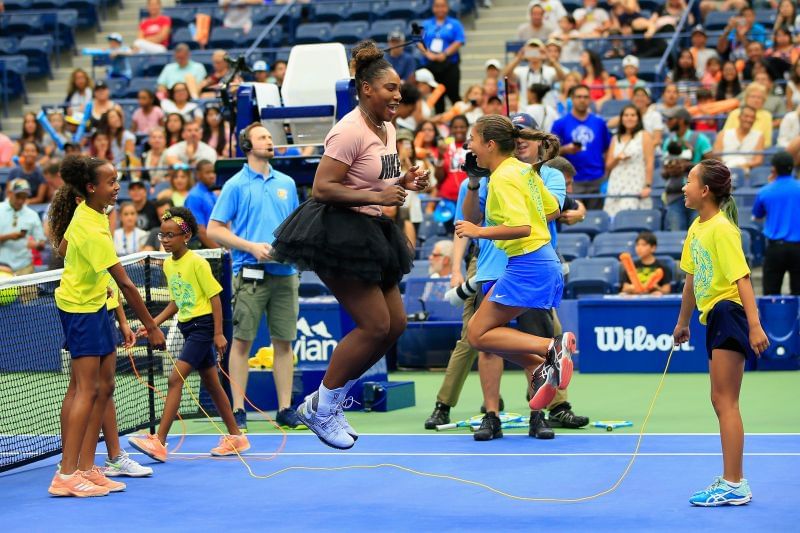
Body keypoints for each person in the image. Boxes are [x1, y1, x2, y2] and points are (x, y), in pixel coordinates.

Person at [270, 41, 429, 449]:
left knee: (395, 326)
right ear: (366, 90)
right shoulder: (348, 130)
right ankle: (321, 408)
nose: (398, 95)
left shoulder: (388, 128)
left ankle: (328, 402)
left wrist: (405, 182)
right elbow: (323, 187)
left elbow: (381, 180)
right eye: (390, 89)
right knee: (374, 324)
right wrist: (377, 197)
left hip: (375, 232)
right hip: (339, 232)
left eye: (399, 89)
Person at [47, 155, 165, 497]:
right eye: (111, 182)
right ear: (91, 188)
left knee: (101, 388)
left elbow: (68, 250)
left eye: (117, 180)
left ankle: (85, 467)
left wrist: (117, 314)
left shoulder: (93, 216)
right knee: (85, 389)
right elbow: (127, 283)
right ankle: (66, 475)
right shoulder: (88, 225)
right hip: (81, 310)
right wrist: (152, 327)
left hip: (95, 304)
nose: (117, 188)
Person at [454, 114, 574, 439]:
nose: (470, 147)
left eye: (474, 140)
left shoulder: (504, 177)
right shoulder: (525, 170)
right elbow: (551, 211)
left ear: (490, 144)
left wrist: (478, 230)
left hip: (528, 264)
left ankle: (551, 348)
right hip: (538, 262)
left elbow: (521, 227)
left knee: (478, 333)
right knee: (480, 334)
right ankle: (540, 362)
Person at [673, 159, 769, 506]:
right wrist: (683, 322)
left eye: (689, 181)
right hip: (712, 316)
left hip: (729, 314)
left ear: (705, 191)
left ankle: (734, 483)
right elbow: (689, 279)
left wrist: (755, 325)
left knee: (725, 401)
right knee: (720, 400)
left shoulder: (723, 229)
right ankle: (732, 478)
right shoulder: (697, 228)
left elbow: (742, 278)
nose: (684, 187)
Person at [128, 207, 250, 461]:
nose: (165, 240)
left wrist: (218, 333)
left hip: (203, 327)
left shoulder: (197, 262)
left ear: (186, 236)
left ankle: (159, 442)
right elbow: (177, 301)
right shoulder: (168, 266)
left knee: (175, 379)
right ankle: (236, 436)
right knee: (212, 383)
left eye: (171, 235)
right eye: (162, 235)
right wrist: (152, 323)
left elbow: (215, 297)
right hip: (187, 327)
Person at [208, 123, 301, 432]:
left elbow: (294, 227)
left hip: (285, 274)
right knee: (242, 343)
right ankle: (237, 409)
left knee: (284, 343)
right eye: (263, 137)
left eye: (270, 137)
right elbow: (215, 229)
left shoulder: (286, 182)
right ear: (247, 146)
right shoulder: (235, 185)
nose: (269, 141)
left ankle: (285, 408)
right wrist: (251, 246)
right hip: (249, 275)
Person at [551, 84, 611, 210]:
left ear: (590, 99)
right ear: (571, 99)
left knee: (596, 220)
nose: (582, 100)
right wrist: (565, 149)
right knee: (575, 223)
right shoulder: (560, 124)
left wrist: (606, 173)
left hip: (596, 178)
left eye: (585, 97)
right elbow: (550, 153)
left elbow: (607, 149)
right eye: (578, 97)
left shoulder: (599, 123)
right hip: (572, 180)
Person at [752, 151, 800, 295]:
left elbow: (757, 216)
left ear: (774, 169)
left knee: (771, 295)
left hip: (775, 249)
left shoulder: (765, 191)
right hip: (798, 249)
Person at [661, 108, 713, 231]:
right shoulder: (668, 141)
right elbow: (664, 172)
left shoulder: (700, 139)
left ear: (681, 121)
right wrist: (671, 170)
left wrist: (689, 166)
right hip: (675, 195)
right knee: (676, 237)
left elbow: (712, 165)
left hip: (698, 196)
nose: (667, 122)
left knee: (698, 236)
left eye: (670, 119)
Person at [604, 105, 654, 218]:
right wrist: (618, 158)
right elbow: (608, 166)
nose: (629, 118)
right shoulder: (615, 138)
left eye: (633, 115)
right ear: (621, 118)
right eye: (626, 115)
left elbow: (649, 162)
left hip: (636, 181)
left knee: (631, 216)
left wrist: (647, 185)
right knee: (614, 216)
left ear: (638, 118)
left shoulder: (644, 135)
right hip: (616, 182)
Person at [418, 0, 467, 113]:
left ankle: (460, 120)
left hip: (449, 64)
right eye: (437, 6)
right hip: (431, 65)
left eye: (443, 6)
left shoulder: (455, 23)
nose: (440, 9)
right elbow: (418, 41)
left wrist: (445, 54)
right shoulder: (426, 24)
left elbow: (459, 40)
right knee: (437, 98)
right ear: (433, 8)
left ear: (447, 8)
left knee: (454, 95)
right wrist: (428, 54)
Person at [0, 179, 46, 275]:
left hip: (25, 267)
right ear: (9, 193)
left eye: (24, 197)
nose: (20, 201)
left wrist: (37, 245)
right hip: (2, 268)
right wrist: (8, 237)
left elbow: (41, 242)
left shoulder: (32, 215)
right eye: (18, 196)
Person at [620, 231, 673, 295]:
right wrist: (632, 288)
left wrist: (657, 288)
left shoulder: (663, 268)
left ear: (653, 248)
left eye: (643, 245)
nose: (639, 248)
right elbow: (624, 287)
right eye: (637, 245)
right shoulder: (631, 267)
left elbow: (666, 290)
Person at [714, 105, 764, 172]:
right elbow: (716, 155)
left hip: (746, 170)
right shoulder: (723, 134)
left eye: (752, 117)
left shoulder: (759, 136)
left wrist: (745, 165)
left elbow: (758, 160)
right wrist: (725, 166)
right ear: (739, 117)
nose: (749, 120)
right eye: (746, 116)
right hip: (724, 169)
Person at [184, 160, 219, 249]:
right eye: (207, 173)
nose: (212, 176)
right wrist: (221, 252)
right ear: (198, 175)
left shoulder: (211, 194)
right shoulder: (194, 196)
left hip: (213, 240)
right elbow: (200, 231)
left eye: (213, 172)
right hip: (198, 246)